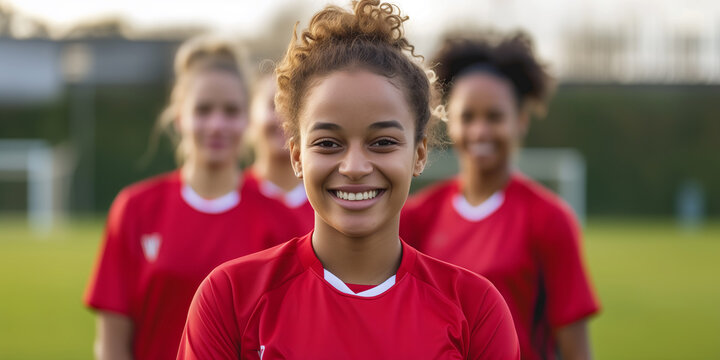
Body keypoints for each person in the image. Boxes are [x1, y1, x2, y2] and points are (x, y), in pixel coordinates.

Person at [177, 1, 520, 359]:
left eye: (383, 142)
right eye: (328, 143)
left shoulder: (476, 308)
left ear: (419, 154)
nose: (354, 166)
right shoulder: (230, 297)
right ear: (297, 156)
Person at [84, 37, 302, 360]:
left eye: (230, 111)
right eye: (203, 110)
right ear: (179, 117)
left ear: (248, 121)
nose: (216, 124)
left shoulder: (282, 221)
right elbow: (112, 342)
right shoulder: (135, 209)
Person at [400, 31, 601, 360]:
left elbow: (576, 348)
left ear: (520, 121)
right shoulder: (416, 217)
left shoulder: (549, 219)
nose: (480, 131)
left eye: (494, 117)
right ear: (449, 123)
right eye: (468, 117)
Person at [243, 72, 314, 232]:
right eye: (273, 105)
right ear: (249, 116)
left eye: (294, 107)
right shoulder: (236, 198)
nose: (285, 119)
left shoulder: (328, 200)